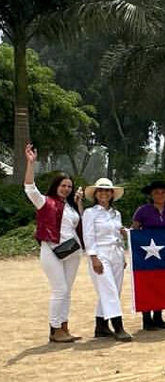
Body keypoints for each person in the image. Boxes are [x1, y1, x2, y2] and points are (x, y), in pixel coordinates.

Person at [22, 144, 84, 343]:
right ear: (56, 185)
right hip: (51, 249)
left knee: (67, 291)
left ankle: (64, 327)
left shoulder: (71, 206)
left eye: (69, 186)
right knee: (60, 290)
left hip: (72, 252)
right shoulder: (44, 202)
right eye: (63, 185)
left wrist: (79, 203)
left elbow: (80, 225)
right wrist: (30, 163)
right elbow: (30, 188)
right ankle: (54, 328)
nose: (66, 189)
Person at [82, 178, 131, 341]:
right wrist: (93, 257)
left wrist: (123, 254)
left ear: (112, 194)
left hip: (116, 252)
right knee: (108, 289)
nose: (104, 193)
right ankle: (118, 326)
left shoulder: (116, 214)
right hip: (100, 253)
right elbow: (88, 236)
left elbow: (117, 235)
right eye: (101, 190)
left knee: (113, 290)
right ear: (95, 194)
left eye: (107, 190)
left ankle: (101, 326)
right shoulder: (90, 213)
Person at [131, 179, 165, 331]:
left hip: (164, 254)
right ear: (151, 195)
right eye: (157, 192)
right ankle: (147, 319)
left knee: (162, 284)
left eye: (163, 192)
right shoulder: (142, 210)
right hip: (145, 255)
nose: (160, 195)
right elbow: (135, 228)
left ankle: (158, 316)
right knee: (146, 283)